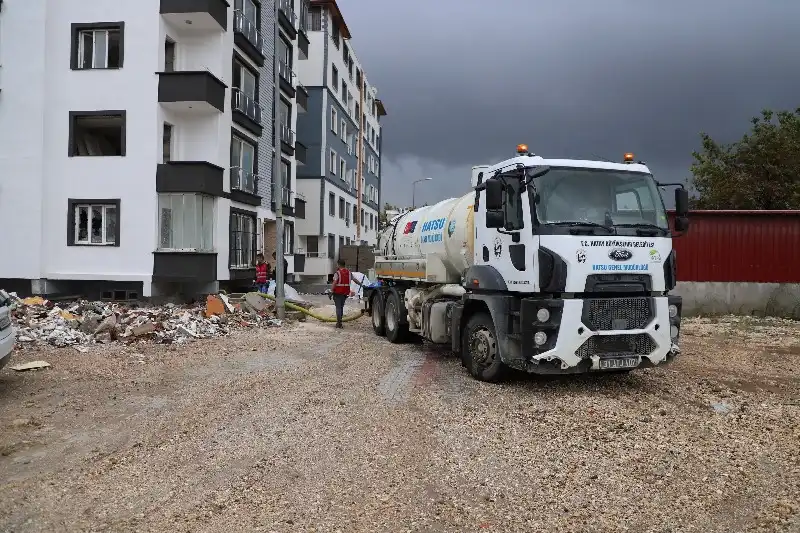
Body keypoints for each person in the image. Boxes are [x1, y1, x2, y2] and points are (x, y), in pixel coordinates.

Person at [330, 259, 353, 328]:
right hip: (345, 293)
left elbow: (334, 283)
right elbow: (354, 279)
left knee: (338, 308)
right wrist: (361, 284)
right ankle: (340, 322)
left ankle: (339, 323)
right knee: (341, 307)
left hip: (337, 292)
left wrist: (331, 291)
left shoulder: (337, 273)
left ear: (338, 264)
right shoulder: (349, 272)